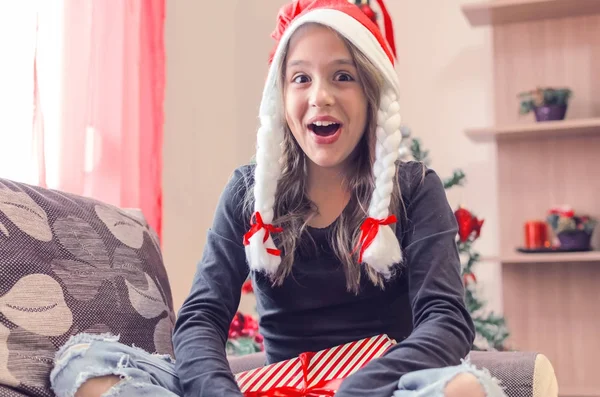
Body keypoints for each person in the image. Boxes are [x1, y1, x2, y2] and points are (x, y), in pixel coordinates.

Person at [49, 1, 507, 396]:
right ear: (281, 98)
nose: (320, 96)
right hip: (278, 385)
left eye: (342, 76)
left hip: (381, 386)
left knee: (467, 389)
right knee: (82, 363)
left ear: (371, 93)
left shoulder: (415, 189)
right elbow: (202, 317)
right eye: (301, 78)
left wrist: (362, 387)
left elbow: (447, 321)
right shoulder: (246, 192)